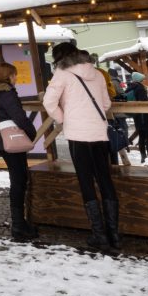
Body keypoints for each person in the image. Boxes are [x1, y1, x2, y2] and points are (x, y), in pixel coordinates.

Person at [42, 47, 122, 251]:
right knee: (105, 179)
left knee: (86, 181)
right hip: (99, 133)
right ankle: (114, 235)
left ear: (60, 58)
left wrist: (64, 119)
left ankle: (99, 234)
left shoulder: (62, 73)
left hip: (78, 135)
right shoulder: (96, 73)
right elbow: (105, 104)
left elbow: (48, 102)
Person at [0, 62, 40, 242]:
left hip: (2, 140)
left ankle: (19, 223)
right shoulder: (7, 94)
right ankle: (18, 225)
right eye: (14, 75)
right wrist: (32, 133)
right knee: (18, 180)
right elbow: (20, 118)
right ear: (8, 76)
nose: (16, 78)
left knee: (18, 179)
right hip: (13, 140)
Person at [124, 72, 148, 162]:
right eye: (143, 79)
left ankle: (143, 156)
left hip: (137, 115)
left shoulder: (131, 87)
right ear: (140, 80)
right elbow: (144, 102)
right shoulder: (140, 88)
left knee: (141, 136)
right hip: (144, 115)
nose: (144, 81)